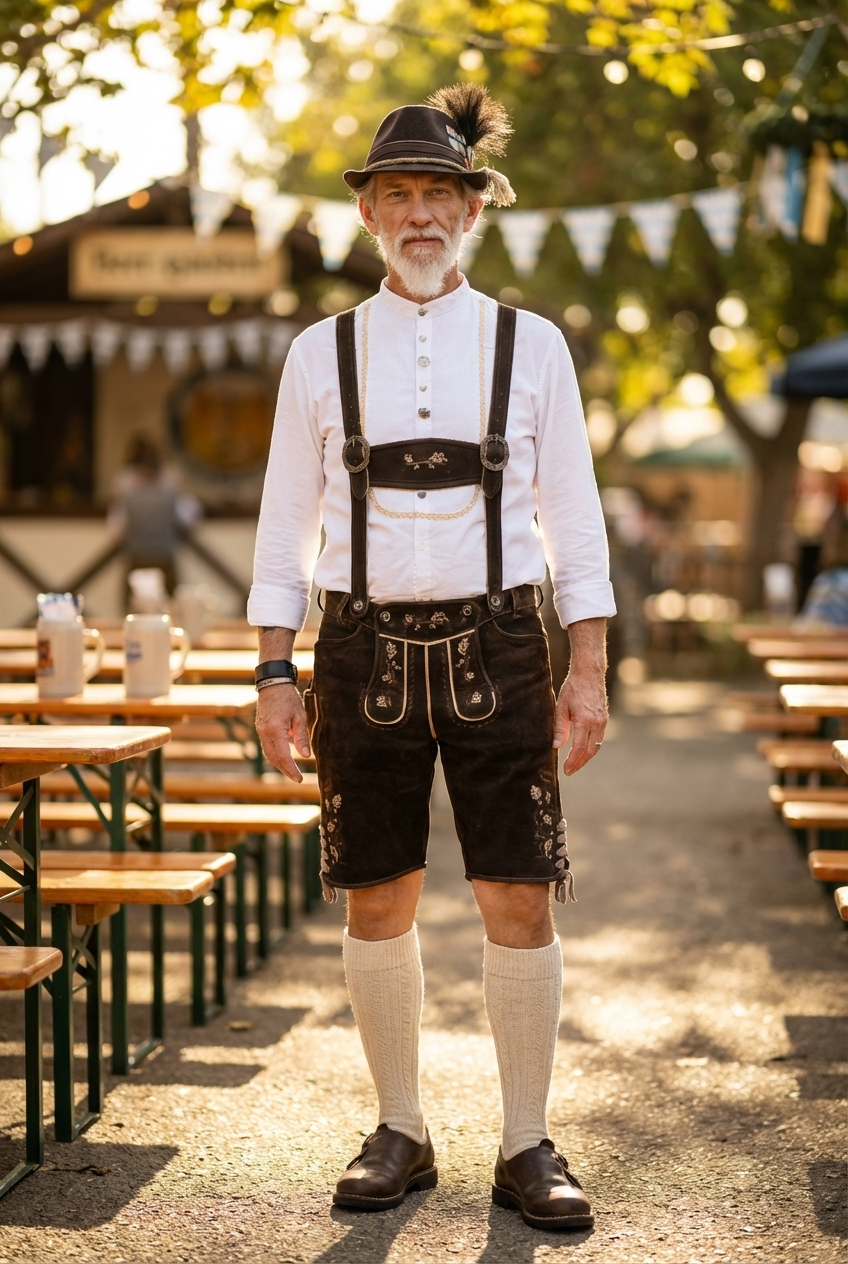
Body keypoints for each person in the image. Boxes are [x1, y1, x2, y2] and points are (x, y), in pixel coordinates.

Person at [248, 84, 615, 1232]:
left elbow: (575, 514)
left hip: (505, 639)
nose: (417, 213)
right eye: (396, 193)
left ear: (471, 210)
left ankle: (524, 1140)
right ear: (368, 215)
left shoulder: (532, 344)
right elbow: (282, 524)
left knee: (517, 890)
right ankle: (399, 1126)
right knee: (373, 897)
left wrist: (587, 664)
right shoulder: (318, 353)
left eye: (437, 194)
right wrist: (271, 671)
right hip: (355, 645)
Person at [109, 434, 201, 606]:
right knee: (168, 609)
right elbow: (190, 517)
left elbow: (116, 529)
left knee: (135, 610)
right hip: (163, 558)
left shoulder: (128, 492)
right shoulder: (170, 491)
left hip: (137, 558)